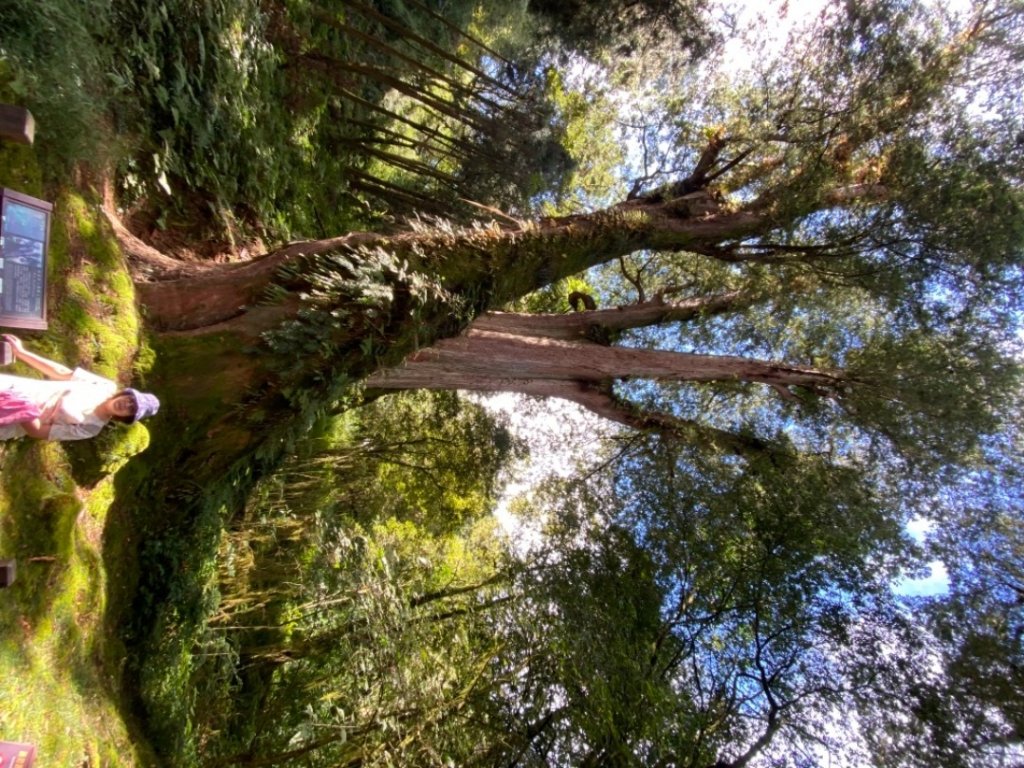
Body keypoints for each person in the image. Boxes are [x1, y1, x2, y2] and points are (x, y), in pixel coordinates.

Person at [0, 334, 159, 441]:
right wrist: (21, 353)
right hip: (14, 388)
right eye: (131, 400)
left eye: (131, 409)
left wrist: (25, 412)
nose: (126, 405)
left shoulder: (91, 428)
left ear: (126, 418)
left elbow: (39, 432)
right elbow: (61, 372)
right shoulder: (104, 386)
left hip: (10, 421)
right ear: (126, 394)